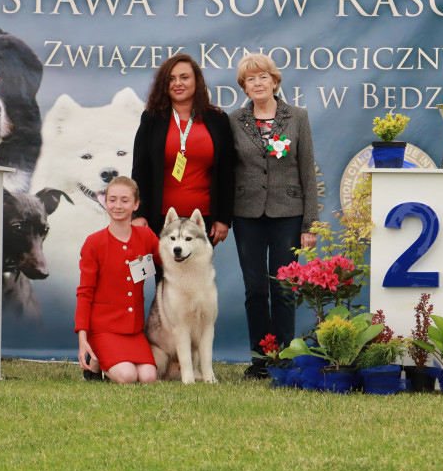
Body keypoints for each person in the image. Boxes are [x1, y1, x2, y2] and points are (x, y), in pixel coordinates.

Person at [229, 53, 319, 380]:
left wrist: (309, 225)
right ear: (244, 86)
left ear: (275, 81)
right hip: (247, 214)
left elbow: (307, 170)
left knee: (284, 287)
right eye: (249, 79)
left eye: (262, 77)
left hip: (288, 212)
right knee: (255, 289)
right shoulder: (234, 120)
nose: (257, 83)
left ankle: (284, 358)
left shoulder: (297, 117)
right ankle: (260, 360)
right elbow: (228, 170)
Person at [131, 53, 235, 241]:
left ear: (197, 81)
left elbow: (227, 174)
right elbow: (140, 171)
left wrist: (223, 218)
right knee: (164, 272)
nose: (178, 83)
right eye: (171, 79)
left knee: (197, 271)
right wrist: (139, 215)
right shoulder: (152, 119)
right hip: (160, 221)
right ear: (164, 85)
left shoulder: (218, 120)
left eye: (184, 77)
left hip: (202, 222)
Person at [75, 176, 160, 384]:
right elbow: (85, 292)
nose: (118, 206)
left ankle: (99, 363)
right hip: (103, 328)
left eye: (125, 200)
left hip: (133, 330)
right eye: (112, 200)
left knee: (148, 378)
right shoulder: (94, 243)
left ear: (136, 205)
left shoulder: (147, 236)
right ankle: (96, 362)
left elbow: (168, 261)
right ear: (105, 202)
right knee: (128, 376)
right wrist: (82, 338)